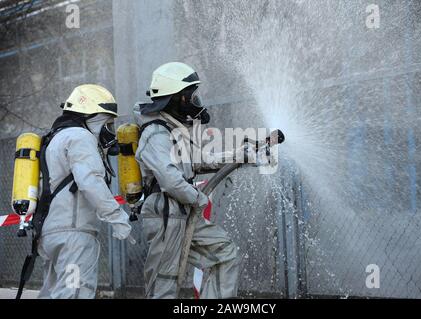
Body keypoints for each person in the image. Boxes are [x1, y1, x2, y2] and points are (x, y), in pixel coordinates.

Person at [134, 62, 259, 299]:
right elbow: (170, 180)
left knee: (224, 253)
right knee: (165, 285)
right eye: (190, 96)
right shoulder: (155, 134)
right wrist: (197, 198)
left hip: (183, 211)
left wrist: (241, 155)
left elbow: (200, 161)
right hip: (165, 215)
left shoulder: (174, 130)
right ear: (176, 99)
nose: (194, 101)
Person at [37, 84, 132, 299]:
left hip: (52, 232)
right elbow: (90, 181)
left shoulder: (56, 138)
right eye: (107, 123)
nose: (109, 130)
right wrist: (117, 217)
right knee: (75, 292)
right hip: (73, 234)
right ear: (92, 117)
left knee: (54, 293)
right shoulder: (80, 137)